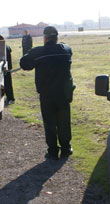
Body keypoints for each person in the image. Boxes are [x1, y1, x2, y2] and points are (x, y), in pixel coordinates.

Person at [20, 26, 74, 160]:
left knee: (49, 122)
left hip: (47, 94)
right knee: (64, 122)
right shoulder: (65, 50)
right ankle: (66, 149)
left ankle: (53, 151)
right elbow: (67, 48)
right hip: (63, 93)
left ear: (44, 38)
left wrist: (30, 52)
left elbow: (24, 64)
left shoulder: (38, 52)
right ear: (57, 38)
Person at [0, 35, 15, 104]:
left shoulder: (4, 47)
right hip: (6, 68)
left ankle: (11, 99)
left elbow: (5, 59)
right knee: (5, 84)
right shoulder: (6, 46)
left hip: (6, 69)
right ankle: (8, 97)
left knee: (8, 84)